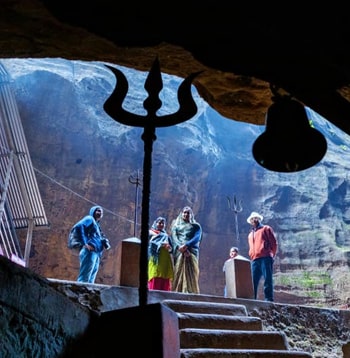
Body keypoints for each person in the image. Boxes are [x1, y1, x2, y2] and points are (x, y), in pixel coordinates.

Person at [74, 205, 110, 283]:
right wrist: (85, 243)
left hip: (96, 253)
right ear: (93, 211)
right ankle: (80, 293)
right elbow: (79, 227)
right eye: (98, 210)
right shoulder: (89, 219)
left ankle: (87, 294)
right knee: (84, 278)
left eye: (101, 212)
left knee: (91, 279)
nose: (100, 213)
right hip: (89, 252)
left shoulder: (97, 226)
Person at [247, 211, 277, 302]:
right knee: (253, 281)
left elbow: (274, 243)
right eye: (252, 219)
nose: (254, 220)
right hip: (255, 259)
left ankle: (268, 298)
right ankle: (253, 298)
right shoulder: (250, 235)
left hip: (265, 257)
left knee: (267, 278)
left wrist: (271, 255)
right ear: (250, 222)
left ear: (259, 219)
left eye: (255, 218)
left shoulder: (266, 229)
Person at [171, 206, 202, 294]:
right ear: (181, 214)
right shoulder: (176, 227)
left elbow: (197, 238)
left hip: (191, 251)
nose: (186, 214)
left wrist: (187, 245)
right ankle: (178, 291)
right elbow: (174, 238)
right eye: (184, 212)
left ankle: (191, 291)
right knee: (178, 271)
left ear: (191, 215)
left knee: (191, 272)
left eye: (188, 213)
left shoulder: (196, 226)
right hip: (179, 251)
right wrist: (181, 248)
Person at [148, 217, 174, 291]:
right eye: (159, 222)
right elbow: (149, 244)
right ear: (156, 223)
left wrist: (168, 247)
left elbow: (171, 248)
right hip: (155, 258)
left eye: (163, 223)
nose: (161, 224)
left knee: (164, 278)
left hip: (165, 259)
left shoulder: (165, 235)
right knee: (155, 275)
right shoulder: (150, 233)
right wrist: (161, 245)